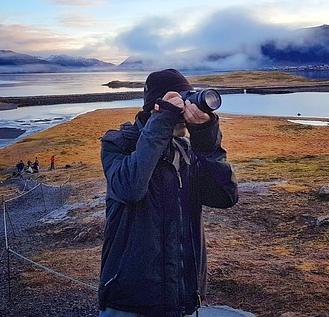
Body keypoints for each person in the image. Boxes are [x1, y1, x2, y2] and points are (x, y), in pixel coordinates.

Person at [98, 69, 238, 317]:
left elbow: (225, 197)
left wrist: (206, 140)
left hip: (182, 297)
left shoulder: (187, 152)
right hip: (129, 301)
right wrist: (161, 123)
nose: (184, 111)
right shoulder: (119, 145)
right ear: (155, 108)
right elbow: (130, 189)